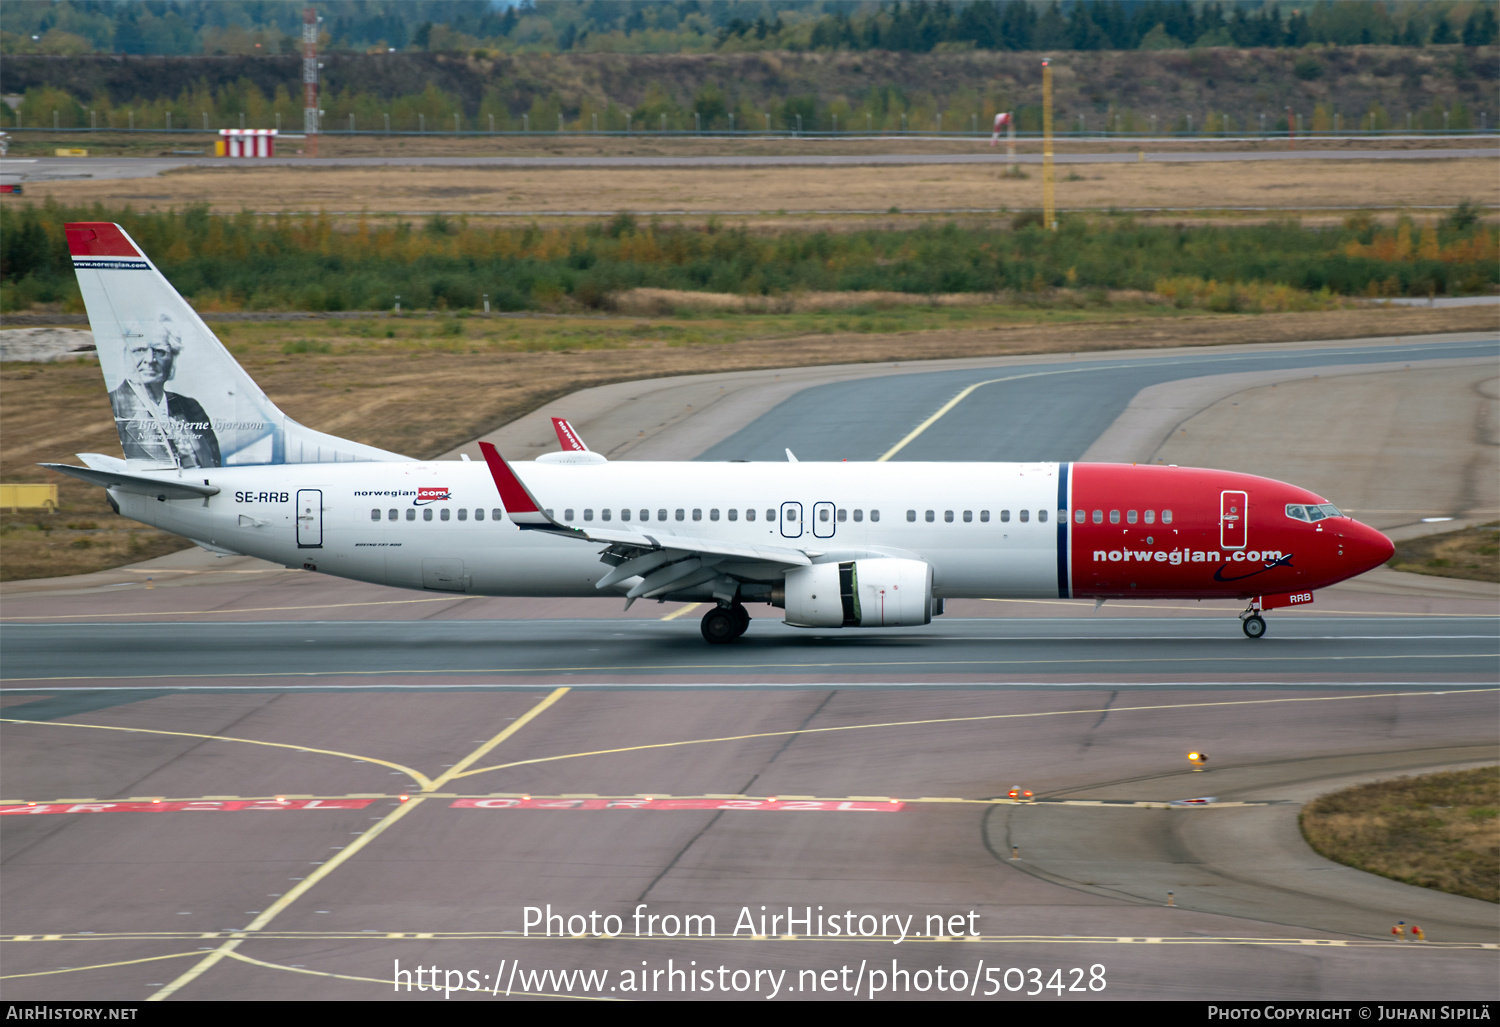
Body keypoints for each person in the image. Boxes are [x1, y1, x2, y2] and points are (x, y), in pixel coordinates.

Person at [108, 315, 221, 468]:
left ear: (172, 359)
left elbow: (214, 463)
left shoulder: (190, 407)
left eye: (160, 352)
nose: (150, 359)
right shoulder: (114, 406)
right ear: (124, 354)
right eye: (140, 350)